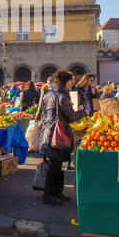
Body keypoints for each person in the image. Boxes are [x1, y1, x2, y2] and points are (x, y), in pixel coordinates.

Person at [38, 70, 87, 205]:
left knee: (57, 165)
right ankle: (49, 195)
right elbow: (72, 116)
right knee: (55, 166)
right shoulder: (62, 96)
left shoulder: (48, 93)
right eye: (71, 80)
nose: (73, 82)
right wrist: (84, 112)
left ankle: (57, 192)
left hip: (49, 131)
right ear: (65, 81)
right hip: (57, 133)